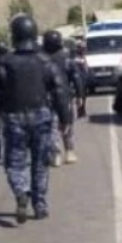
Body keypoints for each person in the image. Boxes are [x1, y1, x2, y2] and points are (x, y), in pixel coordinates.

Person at [0, 14, 70, 223]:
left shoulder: (4, 63)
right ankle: (40, 205)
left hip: (13, 118)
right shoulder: (46, 61)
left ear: (14, 35)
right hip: (41, 117)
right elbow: (60, 90)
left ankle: (21, 192)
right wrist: (65, 118)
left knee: (14, 163)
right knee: (40, 163)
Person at [41, 30, 78, 165]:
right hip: (65, 97)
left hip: (47, 99)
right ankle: (69, 151)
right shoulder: (67, 59)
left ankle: (55, 153)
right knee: (68, 124)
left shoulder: (41, 60)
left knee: (52, 126)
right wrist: (80, 95)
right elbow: (76, 77)